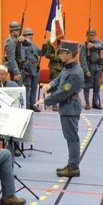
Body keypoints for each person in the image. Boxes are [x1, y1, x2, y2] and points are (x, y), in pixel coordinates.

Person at [43, 41, 84, 178]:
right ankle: (71, 163)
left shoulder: (75, 73)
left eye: (62, 52)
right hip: (67, 107)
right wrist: (50, 85)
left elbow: (63, 92)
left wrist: (46, 101)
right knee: (69, 137)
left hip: (70, 107)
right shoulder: (67, 68)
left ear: (70, 54)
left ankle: (73, 167)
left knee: (72, 138)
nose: (60, 55)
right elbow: (58, 80)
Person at [79, 28, 103, 109]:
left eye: (94, 35)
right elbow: (82, 59)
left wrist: (94, 45)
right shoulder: (84, 45)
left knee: (97, 86)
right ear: (87, 35)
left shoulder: (97, 42)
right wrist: (86, 70)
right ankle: (87, 103)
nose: (92, 36)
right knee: (87, 86)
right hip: (89, 68)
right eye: (90, 35)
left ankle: (95, 103)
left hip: (98, 68)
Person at [20, 28, 41, 110]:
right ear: (24, 36)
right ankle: (27, 105)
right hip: (27, 70)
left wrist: (45, 46)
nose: (30, 36)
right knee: (27, 89)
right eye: (28, 35)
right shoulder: (22, 45)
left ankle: (33, 104)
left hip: (35, 69)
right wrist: (24, 68)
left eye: (31, 34)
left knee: (34, 88)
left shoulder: (34, 44)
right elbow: (22, 58)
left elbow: (41, 52)